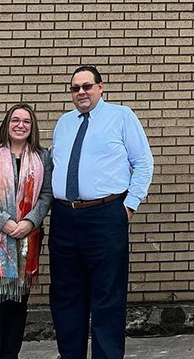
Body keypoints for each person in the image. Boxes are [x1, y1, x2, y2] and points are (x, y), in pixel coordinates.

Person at [49, 65, 154, 359]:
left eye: (86, 86)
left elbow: (143, 163)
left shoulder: (121, 117)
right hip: (64, 217)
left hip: (105, 216)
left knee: (107, 297)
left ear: (100, 87)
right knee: (66, 295)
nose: (81, 92)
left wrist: (130, 206)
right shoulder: (64, 122)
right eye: (75, 88)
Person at [0, 104, 53, 359]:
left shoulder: (42, 157)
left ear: (32, 127)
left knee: (18, 303)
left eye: (26, 121)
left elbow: (47, 194)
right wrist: (4, 222)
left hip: (28, 237)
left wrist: (29, 222)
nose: (21, 125)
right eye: (15, 120)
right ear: (7, 124)